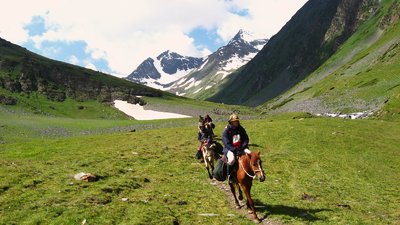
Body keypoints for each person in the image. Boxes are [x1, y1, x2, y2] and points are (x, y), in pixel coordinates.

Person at [222, 114, 251, 183]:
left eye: (237, 121)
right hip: (230, 149)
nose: (237, 122)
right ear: (231, 122)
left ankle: (251, 171)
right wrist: (235, 150)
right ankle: (230, 175)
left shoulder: (241, 129)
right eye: (235, 121)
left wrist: (243, 147)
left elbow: (246, 139)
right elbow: (227, 143)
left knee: (250, 155)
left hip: (241, 148)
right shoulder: (226, 131)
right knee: (231, 160)